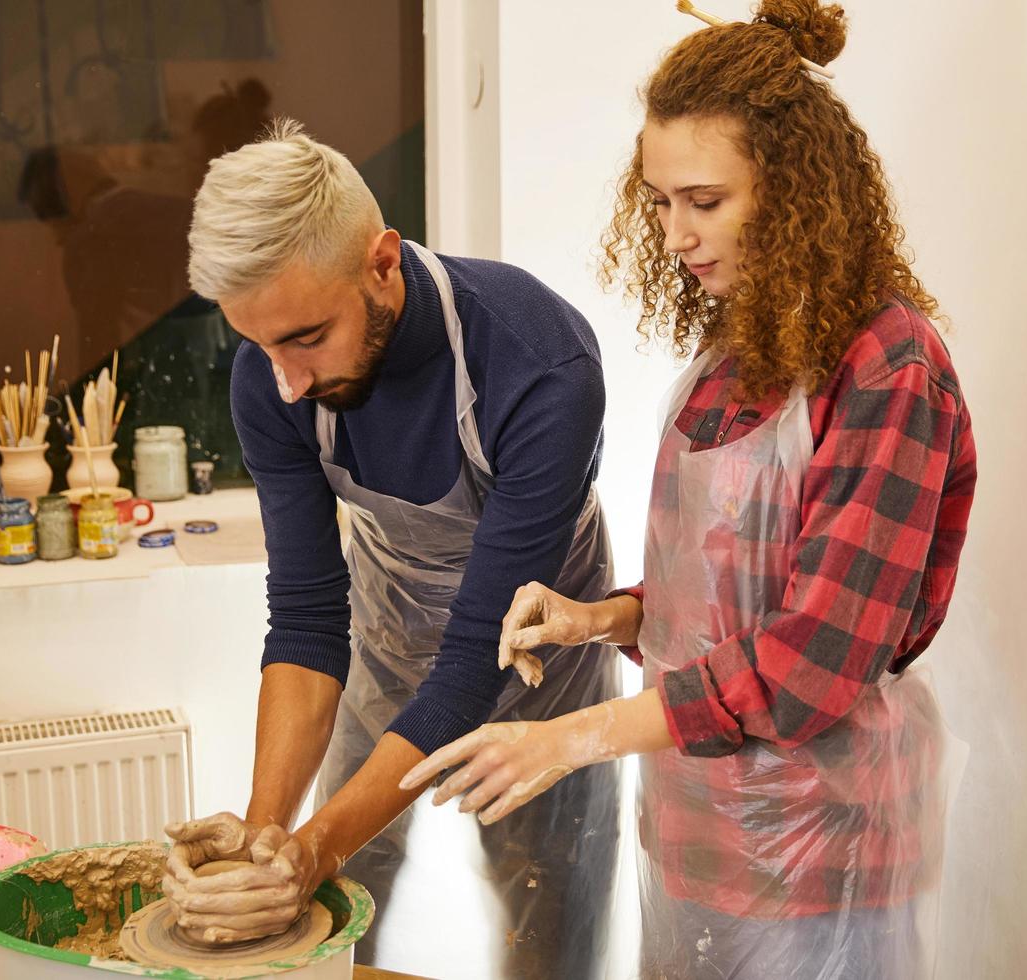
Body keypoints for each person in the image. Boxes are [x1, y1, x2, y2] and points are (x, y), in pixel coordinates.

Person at [402, 3, 977, 977]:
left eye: (704, 201)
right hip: (699, 830)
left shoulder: (888, 370)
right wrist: (595, 617)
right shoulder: (735, 355)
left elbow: (807, 662)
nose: (674, 233)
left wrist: (576, 738)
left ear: (794, 192)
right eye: (660, 201)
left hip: (815, 848)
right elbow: (716, 594)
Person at [162, 118, 620, 979]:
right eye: (260, 345)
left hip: (538, 663)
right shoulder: (273, 373)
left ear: (381, 263)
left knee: (549, 917)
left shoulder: (540, 366)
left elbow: (473, 661)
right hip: (389, 627)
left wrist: (315, 847)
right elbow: (304, 616)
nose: (286, 379)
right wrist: (269, 844)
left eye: (306, 337)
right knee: (337, 891)